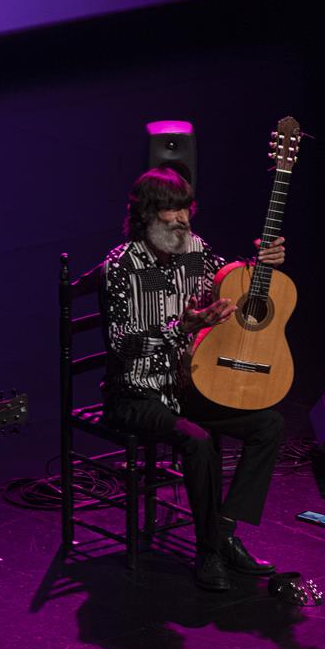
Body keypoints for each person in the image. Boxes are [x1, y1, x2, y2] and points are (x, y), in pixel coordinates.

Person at [99, 167, 286, 591]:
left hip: (187, 389)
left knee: (269, 424)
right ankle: (208, 552)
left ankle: (223, 531)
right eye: (171, 212)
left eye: (186, 210)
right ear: (147, 215)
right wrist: (179, 330)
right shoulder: (123, 266)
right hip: (135, 394)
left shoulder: (194, 250)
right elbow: (120, 344)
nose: (183, 220)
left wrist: (262, 265)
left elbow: (235, 282)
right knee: (198, 440)